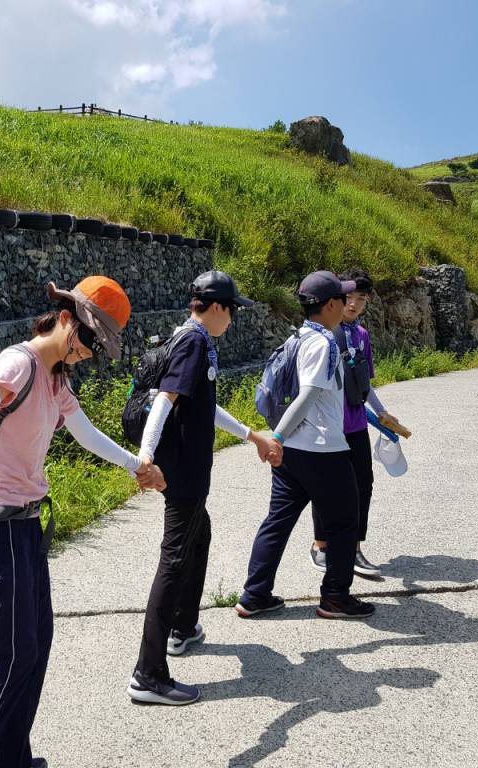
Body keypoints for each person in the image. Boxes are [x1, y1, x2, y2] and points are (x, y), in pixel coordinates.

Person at [0, 276, 164, 768]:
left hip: (23, 529)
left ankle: (10, 757)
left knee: (36, 644)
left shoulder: (55, 375)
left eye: (98, 348)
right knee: (9, 657)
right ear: (66, 318)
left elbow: (84, 433)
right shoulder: (19, 364)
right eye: (88, 340)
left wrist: (138, 467)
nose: (89, 352)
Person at [129, 270, 282, 706]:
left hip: (184, 470)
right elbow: (165, 400)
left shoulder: (188, 338)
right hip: (184, 473)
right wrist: (146, 456)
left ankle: (183, 627)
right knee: (174, 560)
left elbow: (205, 409)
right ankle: (148, 673)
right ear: (215, 307)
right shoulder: (196, 342)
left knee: (200, 536)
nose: (233, 318)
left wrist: (253, 437)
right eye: (232, 310)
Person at [236, 271, 376, 621]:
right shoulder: (324, 343)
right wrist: (276, 438)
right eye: (343, 298)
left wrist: (281, 440)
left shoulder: (298, 337)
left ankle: (255, 595)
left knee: (278, 521)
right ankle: (335, 598)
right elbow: (307, 395)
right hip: (321, 449)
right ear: (330, 305)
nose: (347, 303)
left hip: (293, 454)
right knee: (345, 521)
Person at [309, 268, 397, 579]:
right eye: (349, 297)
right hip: (329, 426)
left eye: (361, 299)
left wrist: (383, 412)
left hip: (357, 423)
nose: (354, 304)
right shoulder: (323, 333)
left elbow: (365, 383)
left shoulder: (362, 336)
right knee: (327, 488)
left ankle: (353, 547)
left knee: (363, 486)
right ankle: (322, 546)